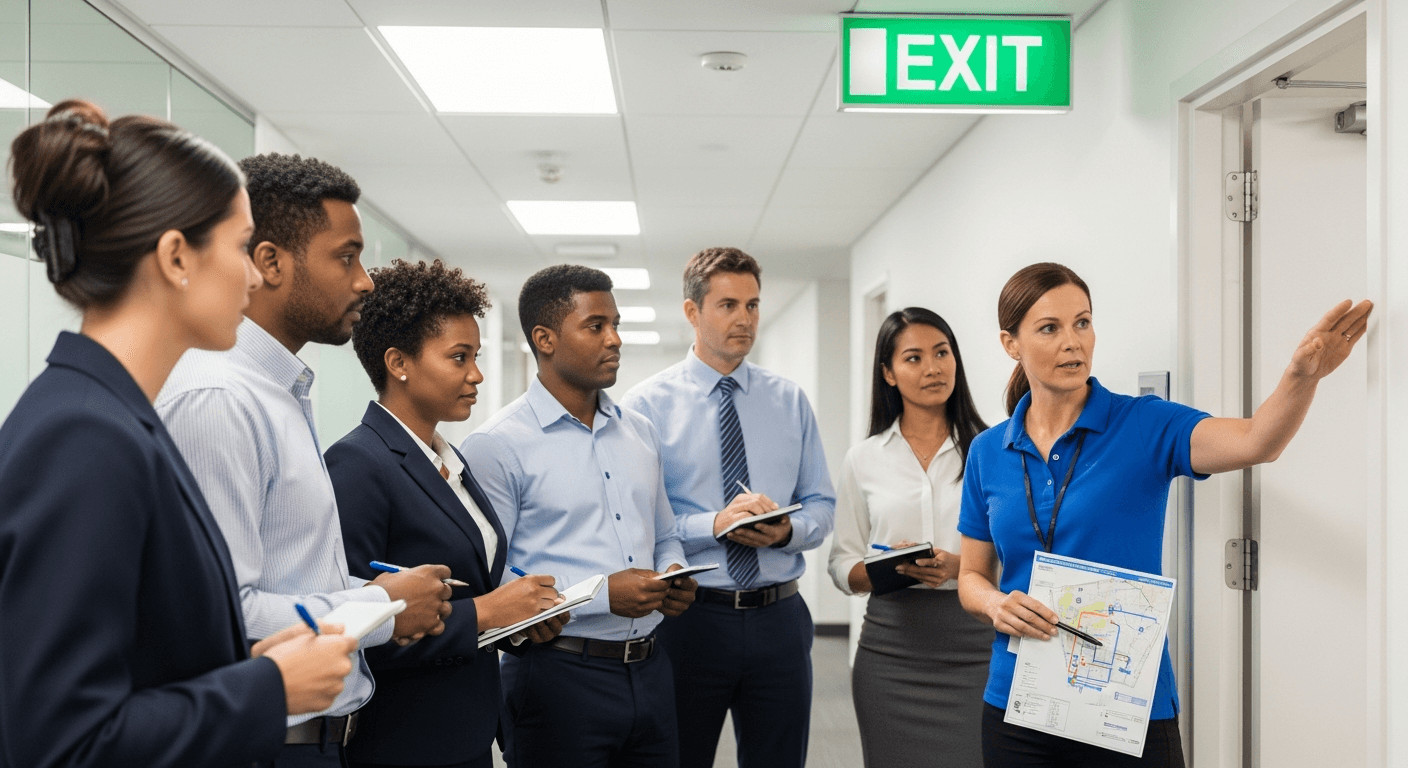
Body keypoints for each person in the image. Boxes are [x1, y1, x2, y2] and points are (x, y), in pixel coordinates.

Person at [0, 100, 359, 768]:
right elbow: (62, 743)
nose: (254, 276)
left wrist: (246, 663)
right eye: (239, 247)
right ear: (175, 258)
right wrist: (267, 690)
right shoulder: (85, 436)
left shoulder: (116, 415)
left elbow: (141, 662)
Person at [956, 262, 1373, 767]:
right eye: (1050, 328)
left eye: (1083, 322)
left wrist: (1300, 377)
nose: (1073, 342)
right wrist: (995, 605)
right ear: (1011, 344)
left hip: (1126, 708)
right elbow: (971, 576)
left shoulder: (1144, 425)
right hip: (1018, 707)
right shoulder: (986, 452)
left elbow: (1257, 440)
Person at [156, 153, 454, 767]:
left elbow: (288, 581)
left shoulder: (280, 392)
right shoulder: (220, 398)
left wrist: (377, 592)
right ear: (269, 262)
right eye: (345, 257)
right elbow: (221, 614)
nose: (365, 280)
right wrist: (381, 609)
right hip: (266, 744)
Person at [325, 258, 566, 768]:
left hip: (466, 729)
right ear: (399, 363)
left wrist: (517, 620)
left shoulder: (446, 457)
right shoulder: (358, 463)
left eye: (475, 356)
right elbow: (354, 630)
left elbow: (474, 586)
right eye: (459, 358)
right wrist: (486, 614)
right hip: (404, 740)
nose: (476, 374)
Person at [463, 264, 698, 768]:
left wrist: (673, 571)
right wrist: (600, 593)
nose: (614, 339)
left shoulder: (640, 432)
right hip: (557, 677)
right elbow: (490, 579)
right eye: (596, 326)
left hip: (652, 669)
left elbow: (667, 534)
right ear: (545, 339)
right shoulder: (495, 445)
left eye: (616, 324)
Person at [622, 247, 835, 768]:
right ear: (693, 311)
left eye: (754, 305)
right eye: (728, 305)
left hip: (779, 617)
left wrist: (785, 531)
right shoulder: (645, 407)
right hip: (691, 618)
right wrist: (713, 524)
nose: (745, 318)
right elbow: (637, 519)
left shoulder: (789, 401)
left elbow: (822, 504)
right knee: (679, 756)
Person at [826, 307, 991, 767]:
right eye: (914, 358)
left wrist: (960, 567)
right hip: (891, 652)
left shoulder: (993, 449)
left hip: (976, 649)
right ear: (889, 373)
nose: (933, 368)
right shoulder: (863, 459)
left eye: (942, 353)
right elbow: (842, 565)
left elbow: (1022, 556)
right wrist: (885, 572)